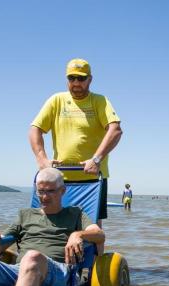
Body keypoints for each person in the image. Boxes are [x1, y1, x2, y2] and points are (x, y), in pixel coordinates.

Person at [29, 58, 122, 225]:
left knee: (92, 225)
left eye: (81, 78)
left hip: (92, 178)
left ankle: (96, 252)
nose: (76, 83)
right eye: (72, 78)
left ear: (90, 79)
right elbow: (35, 129)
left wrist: (96, 159)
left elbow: (115, 130)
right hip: (58, 178)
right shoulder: (56, 100)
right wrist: (42, 159)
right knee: (52, 224)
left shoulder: (99, 101)